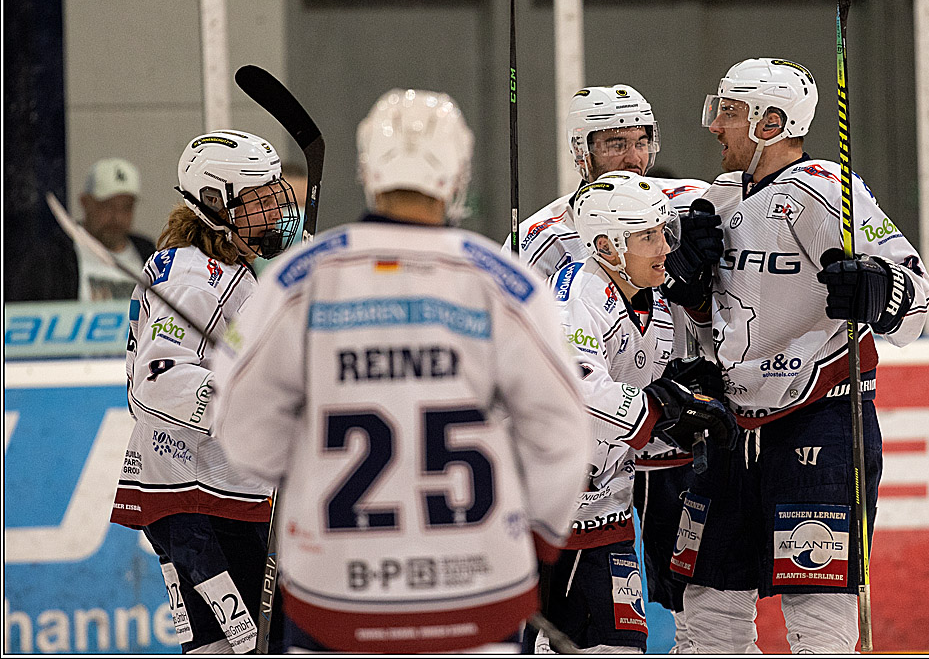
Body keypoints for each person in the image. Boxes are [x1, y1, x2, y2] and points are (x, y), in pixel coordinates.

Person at [210, 88, 592, 654]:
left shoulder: (297, 280)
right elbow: (563, 434)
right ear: (457, 174)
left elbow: (243, 432)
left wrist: (309, 469)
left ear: (368, 170)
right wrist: (526, 543)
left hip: (335, 591)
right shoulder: (504, 284)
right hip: (478, 588)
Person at [669, 58, 929, 653]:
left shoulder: (823, 190)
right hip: (731, 423)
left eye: (729, 114)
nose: (714, 127)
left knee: (816, 606)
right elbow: (716, 324)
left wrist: (880, 291)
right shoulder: (717, 196)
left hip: (820, 415)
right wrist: (688, 289)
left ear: (770, 122)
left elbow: (917, 300)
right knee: (708, 604)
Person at [503, 84, 713, 653]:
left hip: (663, 449)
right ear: (582, 150)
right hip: (580, 463)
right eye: (615, 143)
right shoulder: (541, 240)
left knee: (691, 601)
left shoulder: (684, 210)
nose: (633, 156)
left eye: (642, 141)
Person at [530, 171, 739, 654]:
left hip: (609, 509)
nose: (665, 247)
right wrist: (667, 405)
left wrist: (688, 390)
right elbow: (580, 388)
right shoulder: (573, 298)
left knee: (623, 643)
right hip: (547, 518)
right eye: (647, 236)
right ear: (605, 243)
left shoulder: (652, 298)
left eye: (664, 232)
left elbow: (645, 389)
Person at [109, 130, 301, 653]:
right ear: (216, 203)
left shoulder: (226, 269)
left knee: (222, 648)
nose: (276, 211)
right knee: (258, 645)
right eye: (260, 200)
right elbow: (157, 380)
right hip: (193, 497)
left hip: (211, 491)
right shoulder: (194, 275)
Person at [8, 157, 157, 302]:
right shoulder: (51, 259)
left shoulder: (149, 255)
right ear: (85, 203)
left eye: (126, 207)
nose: (117, 217)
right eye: (107, 206)